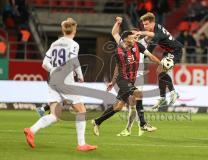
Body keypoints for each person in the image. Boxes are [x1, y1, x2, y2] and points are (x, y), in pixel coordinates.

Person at [23, 18, 97, 151]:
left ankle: (31, 130)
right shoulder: (74, 44)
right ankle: (81, 144)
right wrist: (80, 76)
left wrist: (54, 70)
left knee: (54, 115)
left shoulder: (54, 44)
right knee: (81, 111)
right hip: (66, 82)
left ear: (63, 30)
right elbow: (74, 62)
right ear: (74, 30)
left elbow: (44, 63)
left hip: (53, 81)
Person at [91, 17, 161, 136]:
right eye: (132, 37)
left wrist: (161, 63)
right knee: (138, 94)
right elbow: (118, 66)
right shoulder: (120, 49)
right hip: (123, 80)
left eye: (135, 36)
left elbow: (150, 56)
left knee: (118, 106)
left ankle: (97, 121)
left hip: (132, 80)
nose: (135, 38)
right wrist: (118, 23)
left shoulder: (139, 45)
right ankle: (143, 124)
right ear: (125, 39)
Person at [136, 12, 183, 109]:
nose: (144, 26)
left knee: (160, 71)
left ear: (152, 23)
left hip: (176, 51)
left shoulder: (158, 35)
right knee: (160, 72)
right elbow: (149, 36)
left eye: (146, 24)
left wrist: (138, 58)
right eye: (143, 25)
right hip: (168, 52)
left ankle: (173, 93)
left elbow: (149, 51)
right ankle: (163, 98)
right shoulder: (156, 28)